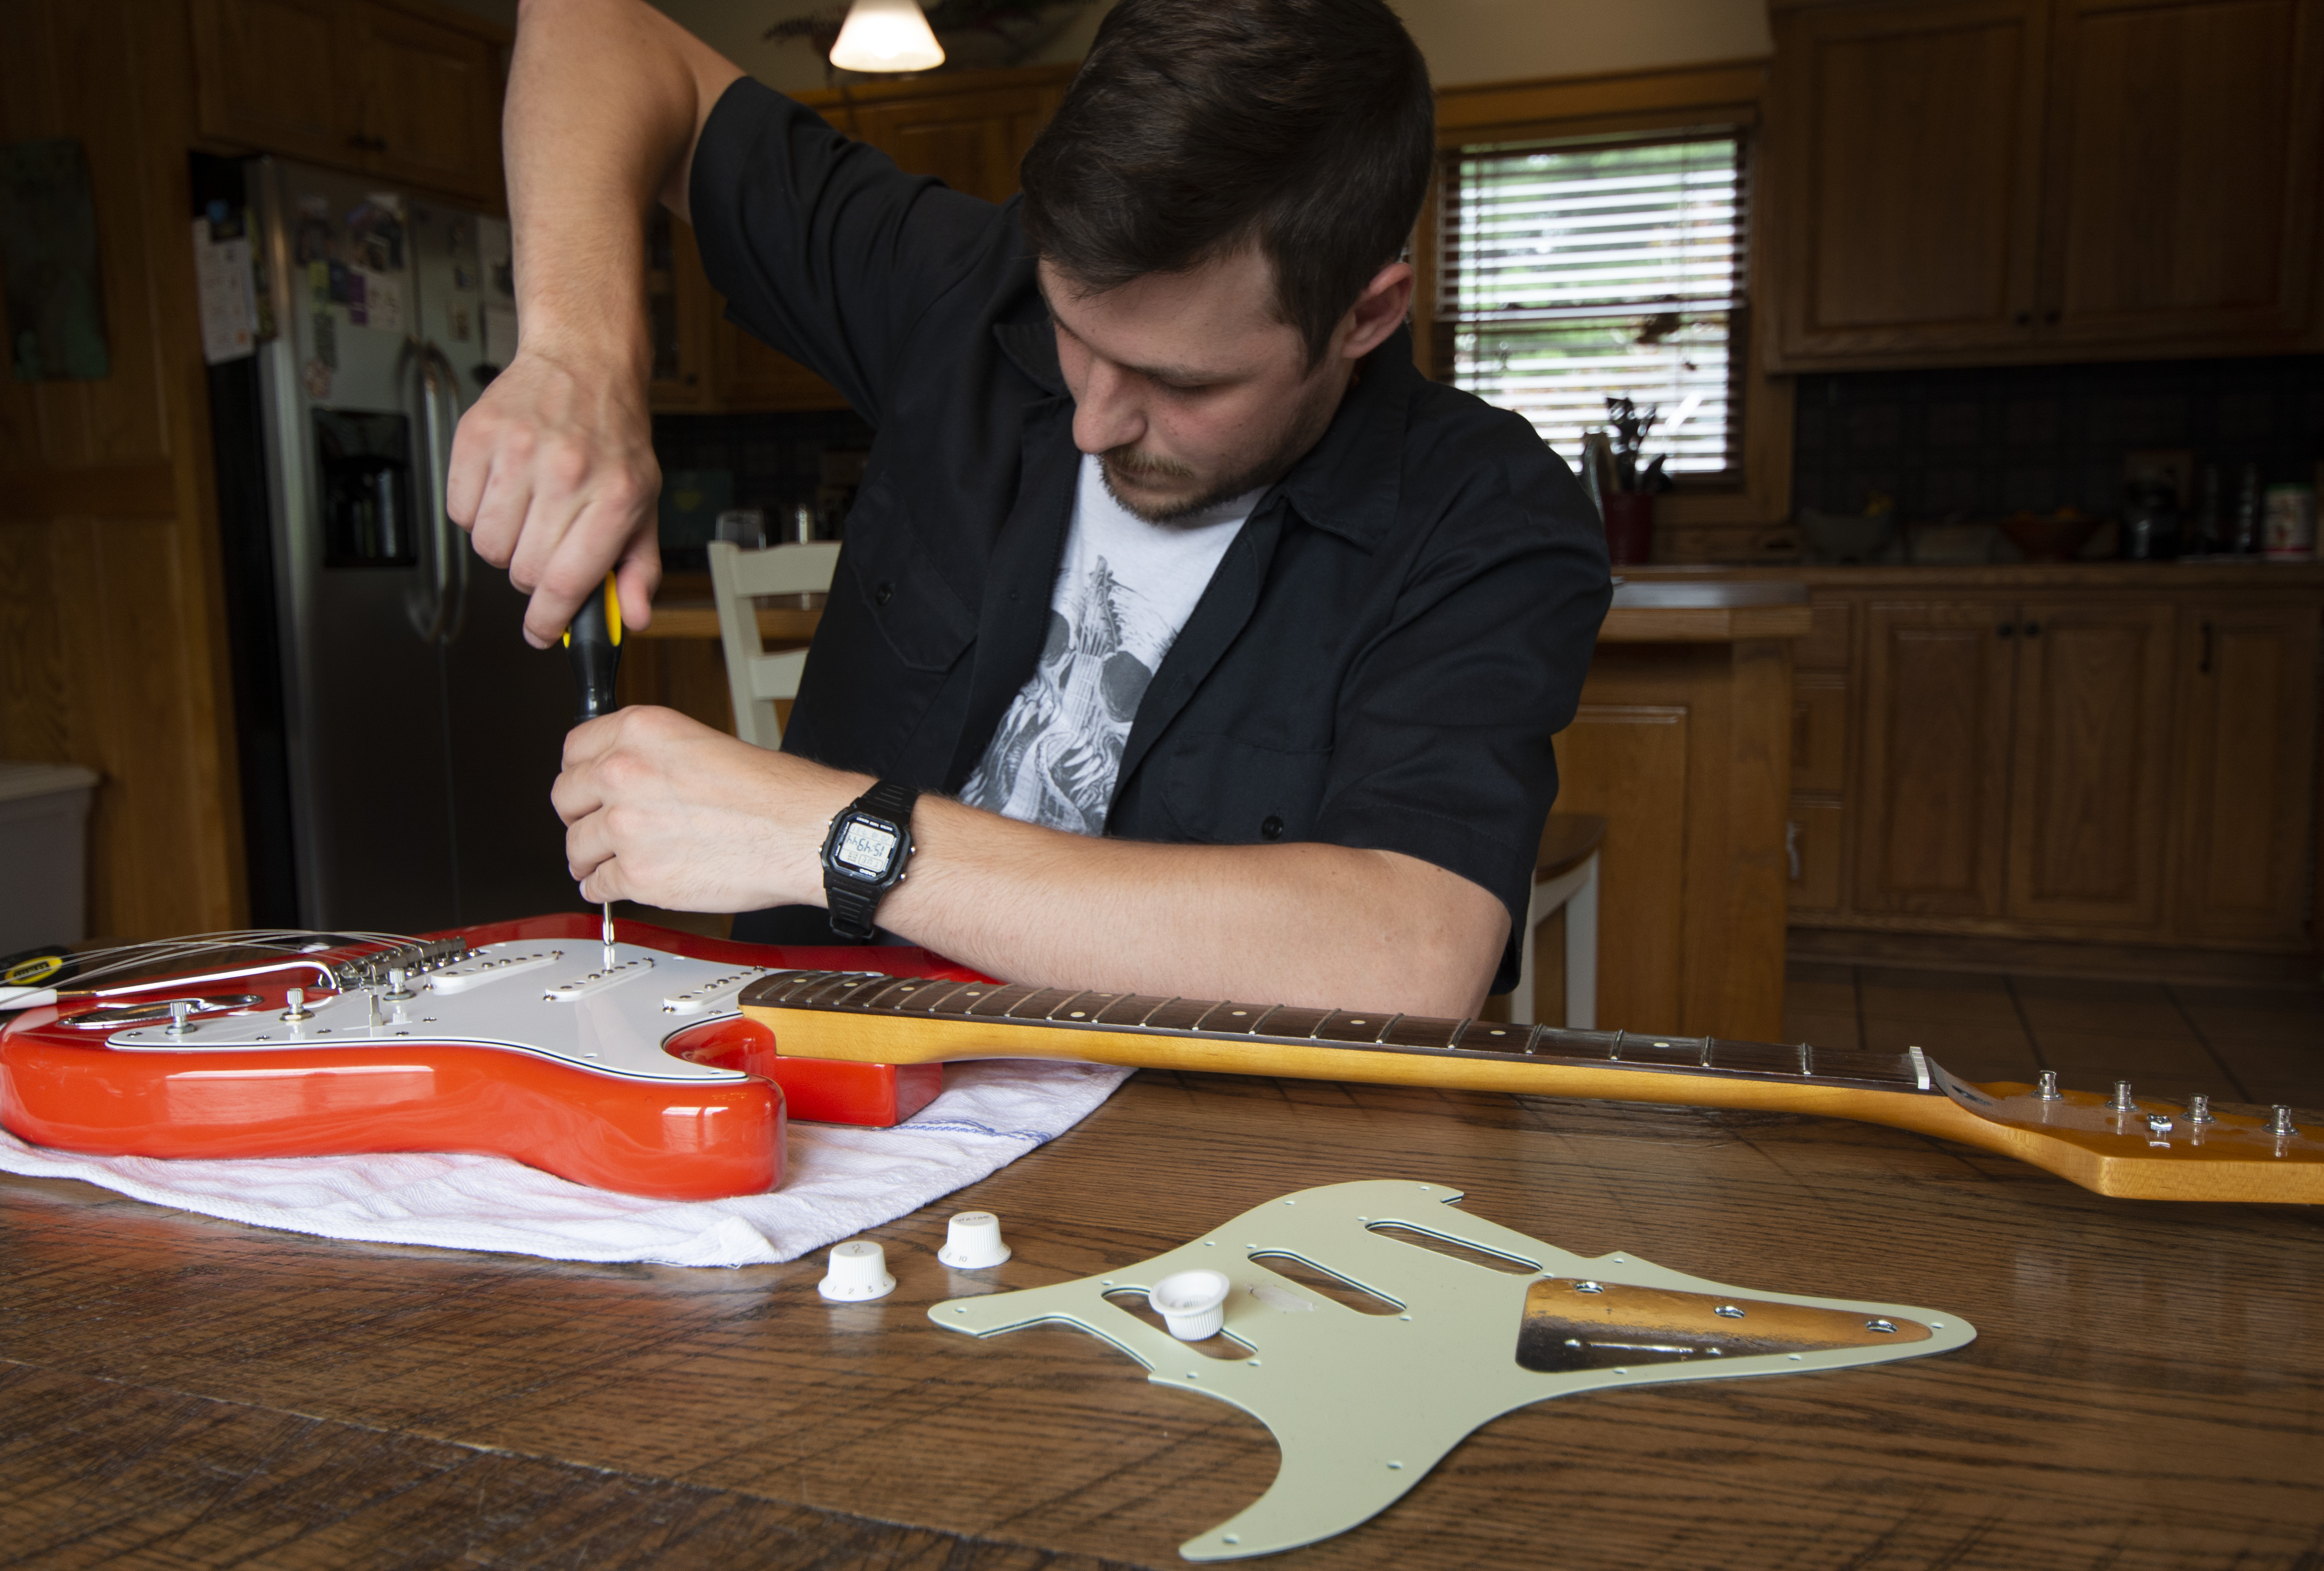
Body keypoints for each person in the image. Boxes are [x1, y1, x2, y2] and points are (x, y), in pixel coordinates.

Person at [446, 0, 1609, 1019]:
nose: (1094, 421)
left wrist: (833, 835)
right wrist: (579, 353)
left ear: (1366, 316)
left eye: (1183, 383)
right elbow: (592, 24)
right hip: (809, 1115)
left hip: (1172, 1182)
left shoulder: (1485, 516)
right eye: (1073, 331)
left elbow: (1408, 959)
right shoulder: (962, 285)